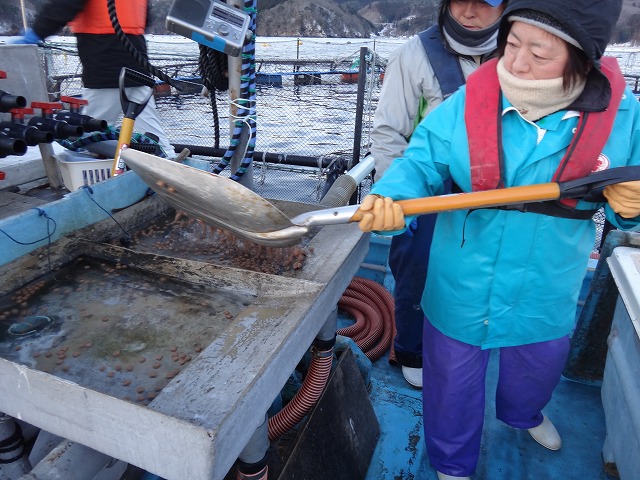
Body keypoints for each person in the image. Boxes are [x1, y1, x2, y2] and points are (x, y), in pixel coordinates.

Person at [357, 0, 637, 478]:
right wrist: (389, 198)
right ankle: (451, 462)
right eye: (511, 45)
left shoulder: (624, 116)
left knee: (539, 363)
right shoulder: (469, 100)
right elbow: (421, 162)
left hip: (548, 277)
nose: (519, 63)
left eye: (540, 53)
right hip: (464, 271)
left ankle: (524, 415)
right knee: (452, 380)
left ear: (582, 60)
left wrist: (630, 205)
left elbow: (624, 201)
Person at [370, 0, 507, 388]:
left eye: (484, 3)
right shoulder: (413, 55)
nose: (468, 10)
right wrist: (399, 199)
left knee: (480, 273)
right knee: (416, 269)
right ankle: (411, 349)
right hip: (428, 187)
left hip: (492, 193)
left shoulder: (518, 52)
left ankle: (474, 342)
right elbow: (389, 133)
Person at [9, 0, 174, 157]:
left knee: (87, 135)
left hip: (104, 65)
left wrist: (36, 33)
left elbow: (63, 7)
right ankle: (171, 165)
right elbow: (145, 18)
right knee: (153, 134)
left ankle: (80, 177)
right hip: (138, 63)